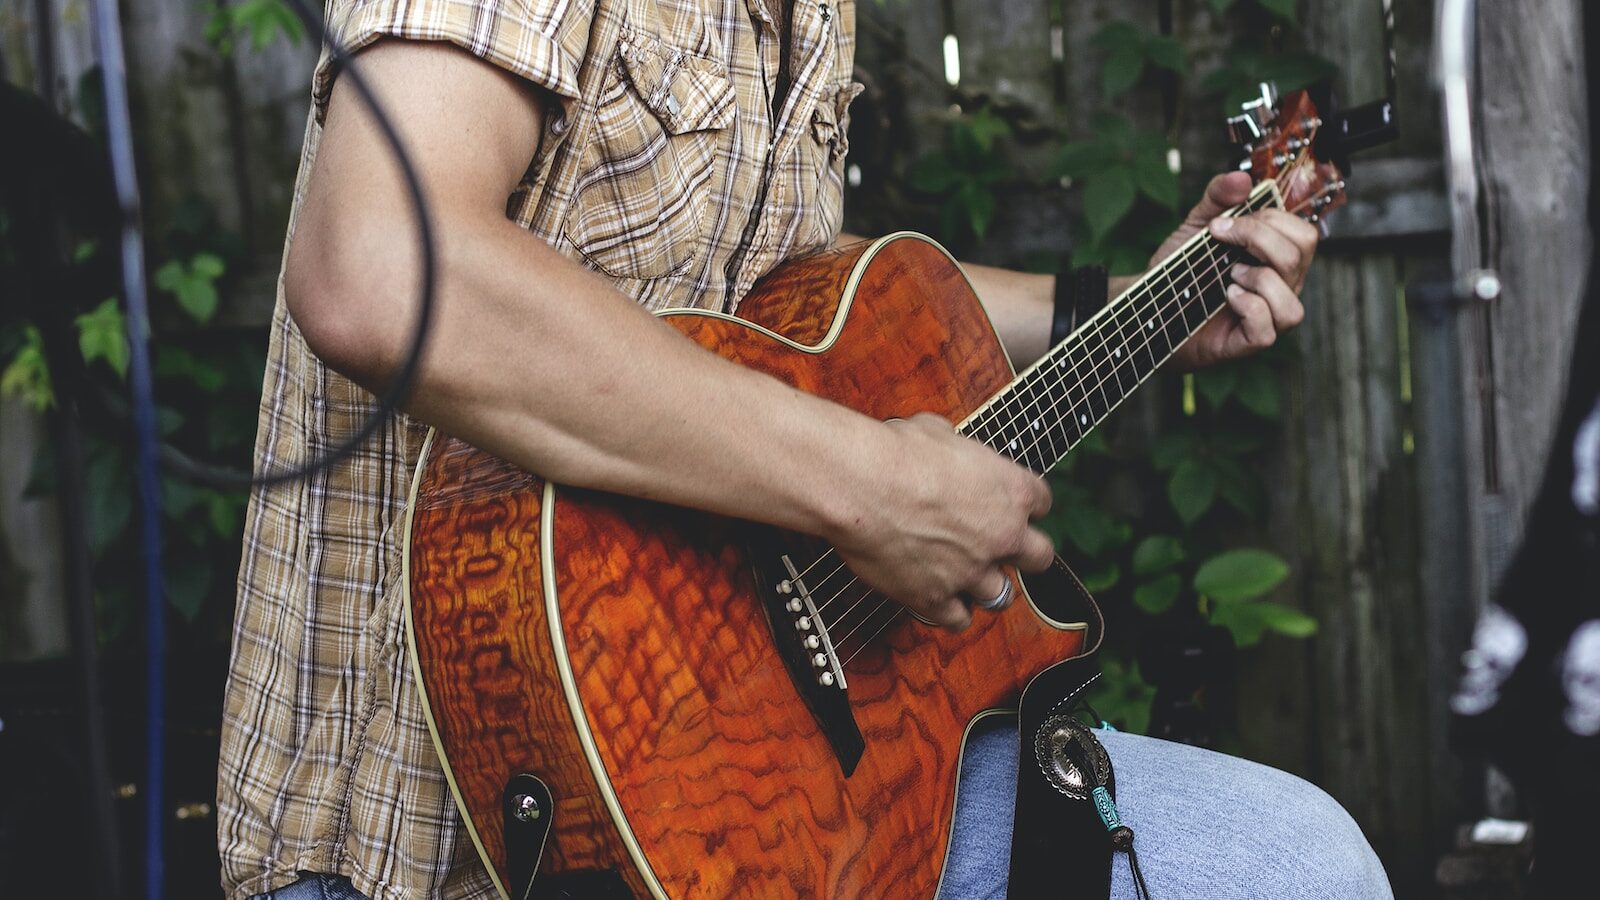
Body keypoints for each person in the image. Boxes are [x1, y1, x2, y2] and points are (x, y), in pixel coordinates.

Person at [216, 1, 1393, 897]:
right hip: (427, 832)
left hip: (771, 760)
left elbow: (793, 316)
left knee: (1296, 865)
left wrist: (1137, 301)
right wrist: (867, 489)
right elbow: (381, 270)